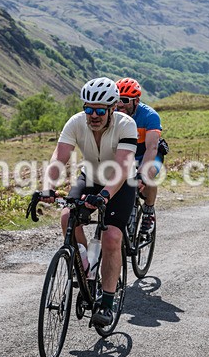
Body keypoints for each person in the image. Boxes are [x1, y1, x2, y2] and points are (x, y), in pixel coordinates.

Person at [40, 77, 137, 327]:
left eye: (99, 110)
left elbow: (123, 166)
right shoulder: (76, 122)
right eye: (89, 109)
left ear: (112, 108)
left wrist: (105, 195)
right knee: (66, 217)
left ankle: (106, 301)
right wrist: (47, 187)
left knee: (112, 237)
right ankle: (86, 266)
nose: (93, 115)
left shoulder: (126, 125)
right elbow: (59, 157)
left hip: (121, 183)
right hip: (91, 178)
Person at [115, 77, 165, 236]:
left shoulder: (150, 116)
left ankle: (149, 212)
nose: (120, 104)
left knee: (147, 176)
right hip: (126, 154)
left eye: (124, 100)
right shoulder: (113, 114)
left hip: (148, 154)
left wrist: (142, 175)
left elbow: (152, 148)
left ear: (136, 101)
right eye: (117, 100)